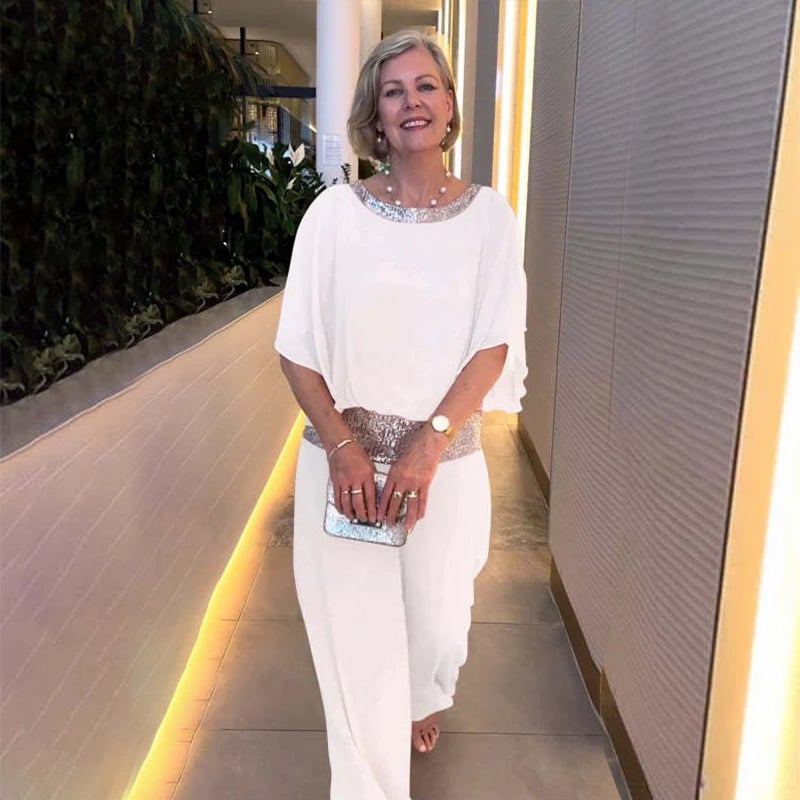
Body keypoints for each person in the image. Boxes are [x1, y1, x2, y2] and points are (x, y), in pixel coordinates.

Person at [274, 28, 527, 800]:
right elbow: (297, 349)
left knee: (437, 626)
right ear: (374, 115)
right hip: (342, 468)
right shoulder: (333, 216)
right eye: (393, 91)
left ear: (449, 106)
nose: (411, 102)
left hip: (444, 467)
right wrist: (343, 446)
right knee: (356, 652)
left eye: (425, 86)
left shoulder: (490, 219)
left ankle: (424, 694)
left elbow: (493, 345)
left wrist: (429, 444)